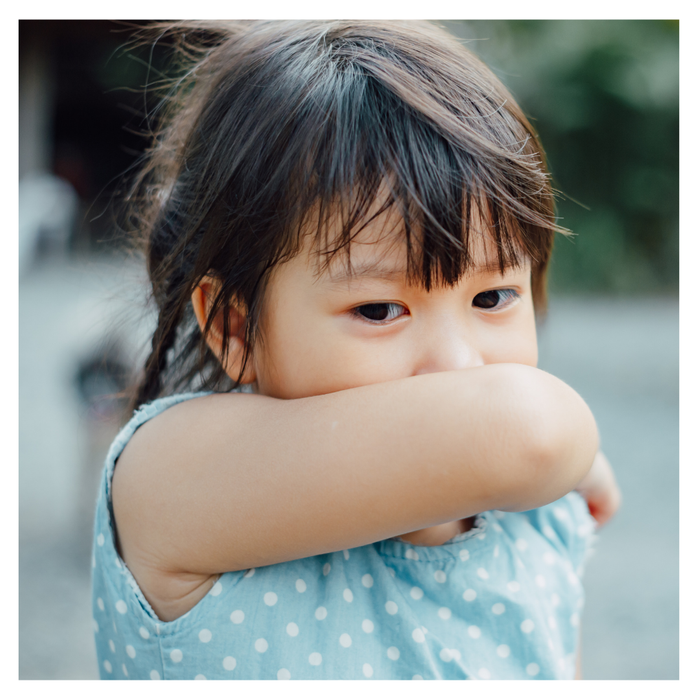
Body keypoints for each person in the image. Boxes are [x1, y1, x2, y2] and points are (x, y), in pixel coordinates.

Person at [92, 20, 621, 680]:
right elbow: (529, 431)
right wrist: (571, 455)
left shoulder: (541, 527)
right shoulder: (170, 478)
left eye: (493, 299)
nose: (459, 367)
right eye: (378, 309)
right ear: (232, 326)